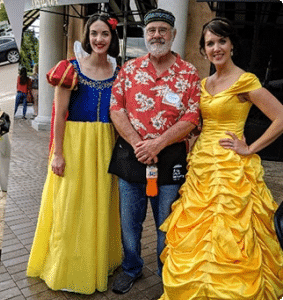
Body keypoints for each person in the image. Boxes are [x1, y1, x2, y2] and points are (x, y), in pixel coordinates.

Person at [159, 17, 283, 299]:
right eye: (210, 43)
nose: (216, 48)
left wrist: (250, 148)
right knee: (197, 232)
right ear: (204, 50)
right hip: (202, 164)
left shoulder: (245, 81)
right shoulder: (204, 84)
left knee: (231, 230)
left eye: (221, 41)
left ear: (231, 45)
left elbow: (281, 117)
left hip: (230, 167)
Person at [26, 14, 122, 294]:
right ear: (87, 37)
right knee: (69, 204)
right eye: (94, 34)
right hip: (75, 142)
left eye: (104, 34)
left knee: (100, 203)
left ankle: (96, 261)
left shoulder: (118, 72)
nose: (99, 39)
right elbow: (59, 115)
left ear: (112, 38)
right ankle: (65, 265)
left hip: (104, 143)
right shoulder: (70, 68)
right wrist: (58, 152)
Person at [107, 8, 201, 294]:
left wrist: (157, 144)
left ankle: (165, 274)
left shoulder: (189, 72)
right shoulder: (129, 69)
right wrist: (140, 144)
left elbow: (192, 116)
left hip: (170, 159)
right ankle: (132, 267)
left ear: (172, 34)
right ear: (145, 35)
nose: (157, 35)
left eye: (163, 30)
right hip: (131, 157)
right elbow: (116, 108)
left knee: (167, 224)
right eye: (152, 30)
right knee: (130, 222)